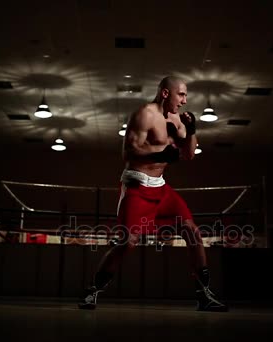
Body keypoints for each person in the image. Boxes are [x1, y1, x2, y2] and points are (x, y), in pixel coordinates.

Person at [78, 76, 227, 312]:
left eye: (186, 96)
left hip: (161, 187)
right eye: (181, 95)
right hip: (137, 186)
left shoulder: (178, 120)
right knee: (127, 243)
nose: (185, 101)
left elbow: (188, 155)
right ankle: (92, 291)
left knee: (193, 231)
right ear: (166, 93)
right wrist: (158, 156)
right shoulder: (145, 114)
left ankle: (204, 295)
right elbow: (129, 152)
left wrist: (191, 131)